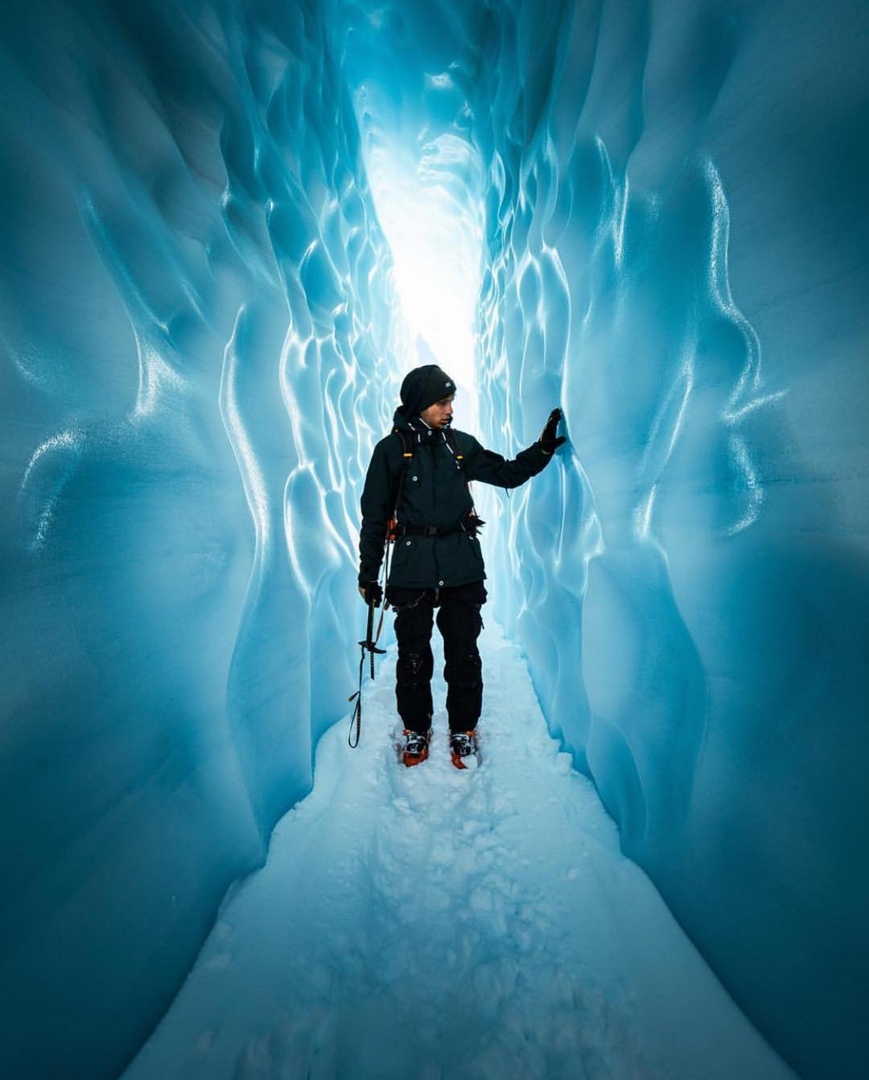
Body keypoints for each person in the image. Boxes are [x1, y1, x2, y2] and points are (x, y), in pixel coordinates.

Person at [357, 364, 565, 768]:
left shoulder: (460, 446)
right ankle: (416, 728)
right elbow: (375, 518)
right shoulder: (391, 450)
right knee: (413, 656)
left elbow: (505, 473)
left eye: (451, 400)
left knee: (464, 653)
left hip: (460, 566)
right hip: (412, 568)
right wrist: (369, 572)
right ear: (420, 404)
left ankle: (463, 729)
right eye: (441, 402)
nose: (450, 409)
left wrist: (540, 450)